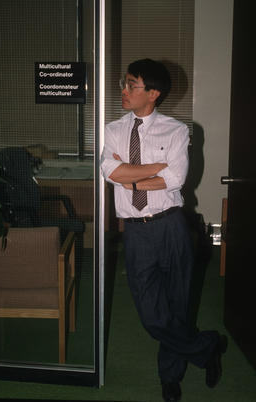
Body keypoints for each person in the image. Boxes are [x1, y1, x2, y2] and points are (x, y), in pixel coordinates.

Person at [101, 58, 227, 402]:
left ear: (153, 93)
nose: (123, 91)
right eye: (124, 84)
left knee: (179, 305)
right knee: (152, 315)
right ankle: (206, 347)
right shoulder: (112, 130)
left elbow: (175, 180)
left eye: (131, 85)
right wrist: (152, 169)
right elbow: (111, 173)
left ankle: (170, 376)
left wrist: (132, 174)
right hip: (137, 233)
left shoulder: (176, 130)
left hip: (172, 226)